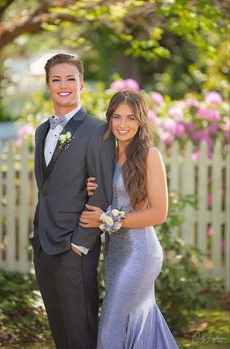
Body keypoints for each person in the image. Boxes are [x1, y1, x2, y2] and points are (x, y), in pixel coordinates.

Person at [79, 90, 179, 349]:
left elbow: (159, 213)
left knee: (111, 328)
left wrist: (106, 219)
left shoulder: (150, 156)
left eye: (131, 118)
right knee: (136, 323)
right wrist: (94, 189)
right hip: (114, 254)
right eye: (117, 117)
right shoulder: (107, 157)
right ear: (109, 119)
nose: (123, 125)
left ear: (141, 121)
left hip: (140, 253)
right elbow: (112, 199)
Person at [29, 53, 115, 349]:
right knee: (61, 334)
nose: (63, 85)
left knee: (81, 334)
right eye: (56, 79)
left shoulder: (97, 130)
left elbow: (103, 190)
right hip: (43, 244)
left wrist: (81, 242)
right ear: (47, 85)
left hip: (74, 247)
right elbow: (47, 189)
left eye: (70, 79)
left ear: (82, 85)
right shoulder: (42, 131)